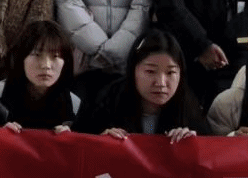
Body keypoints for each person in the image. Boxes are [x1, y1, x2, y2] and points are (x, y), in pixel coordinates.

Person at [73, 29, 207, 140]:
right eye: (150, 71)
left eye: (170, 72)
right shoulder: (104, 102)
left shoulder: (189, 108)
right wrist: (99, 140)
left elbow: (208, 155)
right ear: (132, 71)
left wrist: (194, 143)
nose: (161, 83)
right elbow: (77, 148)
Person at [0, 19, 79, 132]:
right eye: (37, 55)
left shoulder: (74, 104)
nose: (46, 65)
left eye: (55, 56)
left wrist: (72, 138)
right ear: (21, 58)